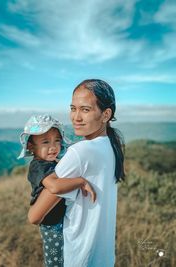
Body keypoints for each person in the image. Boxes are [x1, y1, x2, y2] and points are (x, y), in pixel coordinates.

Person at [28, 79, 125, 267]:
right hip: (103, 256)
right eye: (73, 108)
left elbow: (34, 216)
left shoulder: (79, 153)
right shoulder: (113, 146)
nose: (76, 117)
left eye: (85, 110)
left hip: (78, 256)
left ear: (106, 114)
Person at [18, 114, 96, 267]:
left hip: (59, 219)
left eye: (57, 141)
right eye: (46, 142)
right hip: (51, 223)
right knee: (56, 262)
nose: (53, 147)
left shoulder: (51, 163)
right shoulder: (38, 166)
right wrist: (81, 181)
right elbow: (54, 187)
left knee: (68, 257)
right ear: (30, 146)